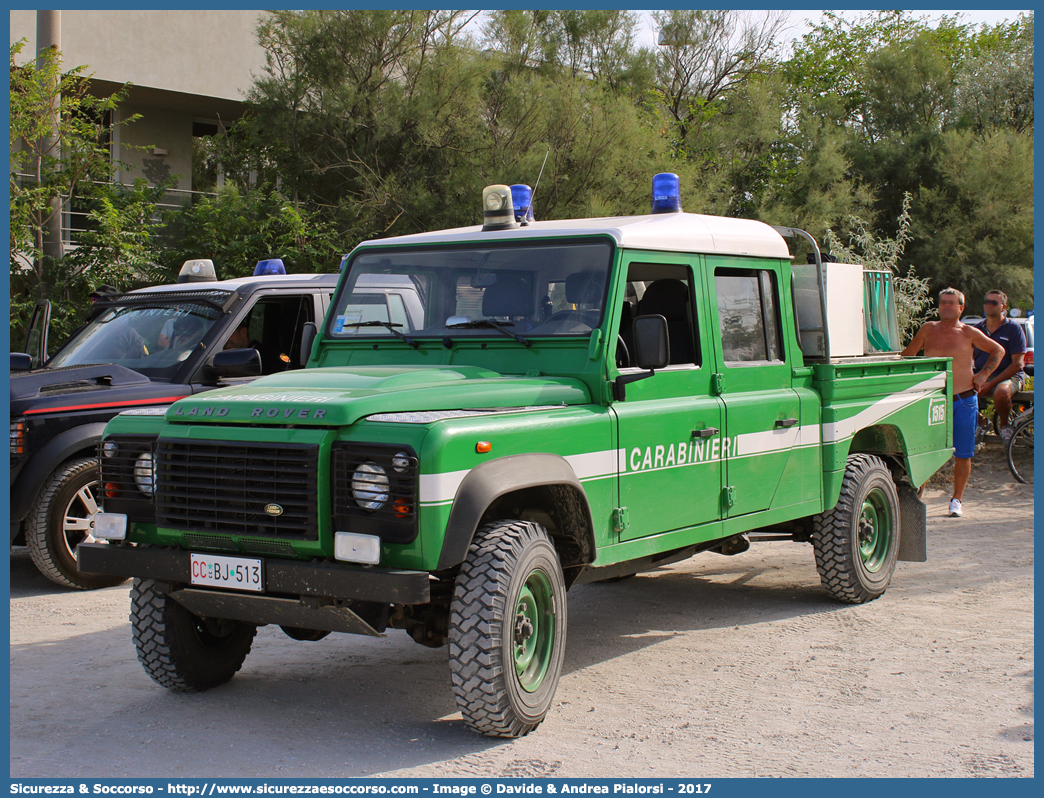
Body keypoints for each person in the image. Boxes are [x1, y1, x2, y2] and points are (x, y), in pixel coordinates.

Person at [902, 288, 1004, 518]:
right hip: (932, 400)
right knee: (922, 449)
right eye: (943, 302)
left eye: (951, 303)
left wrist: (983, 375)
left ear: (961, 308)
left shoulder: (969, 332)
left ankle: (956, 499)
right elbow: (908, 356)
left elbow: (998, 350)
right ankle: (917, 493)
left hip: (963, 399)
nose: (946, 306)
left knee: (963, 453)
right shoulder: (928, 329)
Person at [971, 290, 1027, 441]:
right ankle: (982, 421)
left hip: (1010, 376)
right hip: (983, 375)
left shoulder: (1014, 329)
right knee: (955, 390)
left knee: (1001, 392)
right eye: (986, 302)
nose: (989, 305)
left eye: (993, 303)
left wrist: (990, 384)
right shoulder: (976, 329)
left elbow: (1017, 365)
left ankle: (1004, 426)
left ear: (1003, 306)